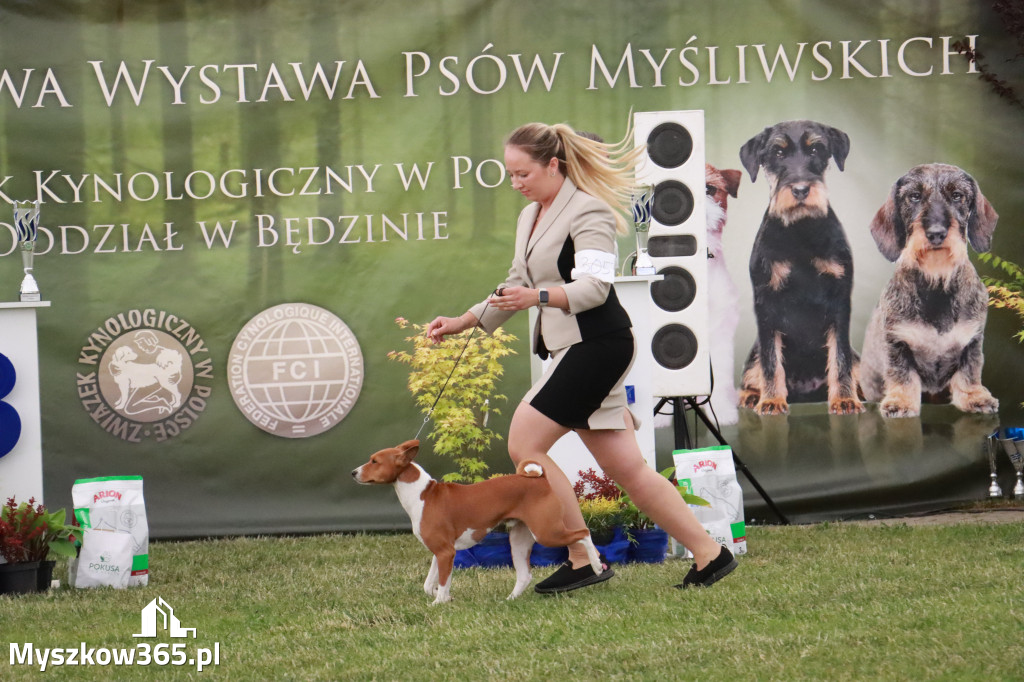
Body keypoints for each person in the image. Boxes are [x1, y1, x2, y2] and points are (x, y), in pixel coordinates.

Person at [426, 121, 737, 593]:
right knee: (629, 471)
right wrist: (462, 322)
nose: (516, 185)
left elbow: (594, 289)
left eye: (523, 174)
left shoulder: (588, 211)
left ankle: (581, 557)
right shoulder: (529, 217)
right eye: (509, 176)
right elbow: (514, 282)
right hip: (577, 349)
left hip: (599, 346)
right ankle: (711, 554)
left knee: (524, 446)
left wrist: (538, 298)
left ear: (553, 164)